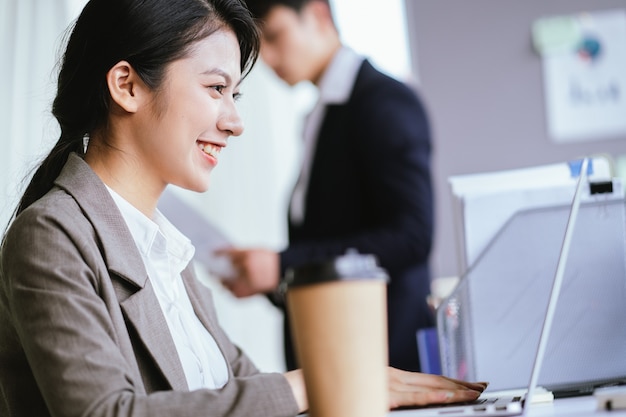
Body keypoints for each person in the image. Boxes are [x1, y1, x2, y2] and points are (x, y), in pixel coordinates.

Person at [0, 0, 486, 416]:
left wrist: (350, 391)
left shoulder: (166, 253)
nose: (235, 122)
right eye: (216, 89)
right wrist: (316, 383)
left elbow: (242, 392)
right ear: (127, 86)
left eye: (235, 94)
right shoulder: (51, 235)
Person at [221, 0, 435, 373]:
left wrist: (282, 264)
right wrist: (273, 277)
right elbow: (329, 232)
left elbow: (412, 236)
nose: (268, 58)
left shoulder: (384, 102)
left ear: (318, 14)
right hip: (337, 356)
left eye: (274, 36)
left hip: (383, 360)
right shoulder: (324, 111)